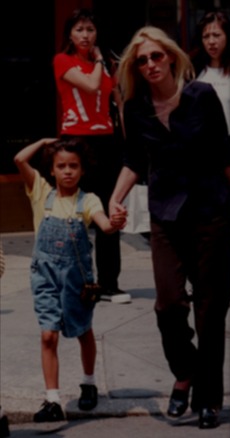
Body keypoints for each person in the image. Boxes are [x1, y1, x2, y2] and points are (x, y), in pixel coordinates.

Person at [109, 26, 230, 429]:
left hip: (210, 213)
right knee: (168, 304)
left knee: (209, 311)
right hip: (165, 215)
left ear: (171, 57)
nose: (150, 64)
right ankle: (186, 372)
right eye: (142, 60)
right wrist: (115, 198)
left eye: (156, 56)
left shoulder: (201, 95)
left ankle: (208, 397)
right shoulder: (135, 107)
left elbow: (223, 155)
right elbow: (133, 159)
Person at [14, 137, 125, 423]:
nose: (67, 171)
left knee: (82, 331)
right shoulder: (40, 192)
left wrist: (114, 223)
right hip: (45, 277)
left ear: (82, 170)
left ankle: (88, 382)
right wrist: (43, 142)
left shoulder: (88, 200)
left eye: (73, 166)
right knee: (48, 335)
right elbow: (19, 160)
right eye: (61, 166)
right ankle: (52, 399)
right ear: (51, 170)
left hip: (77, 280)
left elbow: (103, 224)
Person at [53, 9, 129, 304]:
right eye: (79, 30)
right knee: (76, 214)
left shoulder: (106, 64)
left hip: (107, 141)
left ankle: (109, 284)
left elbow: (117, 99)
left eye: (90, 30)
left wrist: (128, 139)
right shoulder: (63, 60)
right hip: (76, 142)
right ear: (70, 34)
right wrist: (99, 61)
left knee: (110, 209)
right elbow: (91, 85)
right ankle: (77, 282)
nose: (85, 35)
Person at [191, 10, 230, 135]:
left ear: (227, 36)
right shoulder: (193, 72)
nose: (211, 41)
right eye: (206, 36)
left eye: (216, 35)